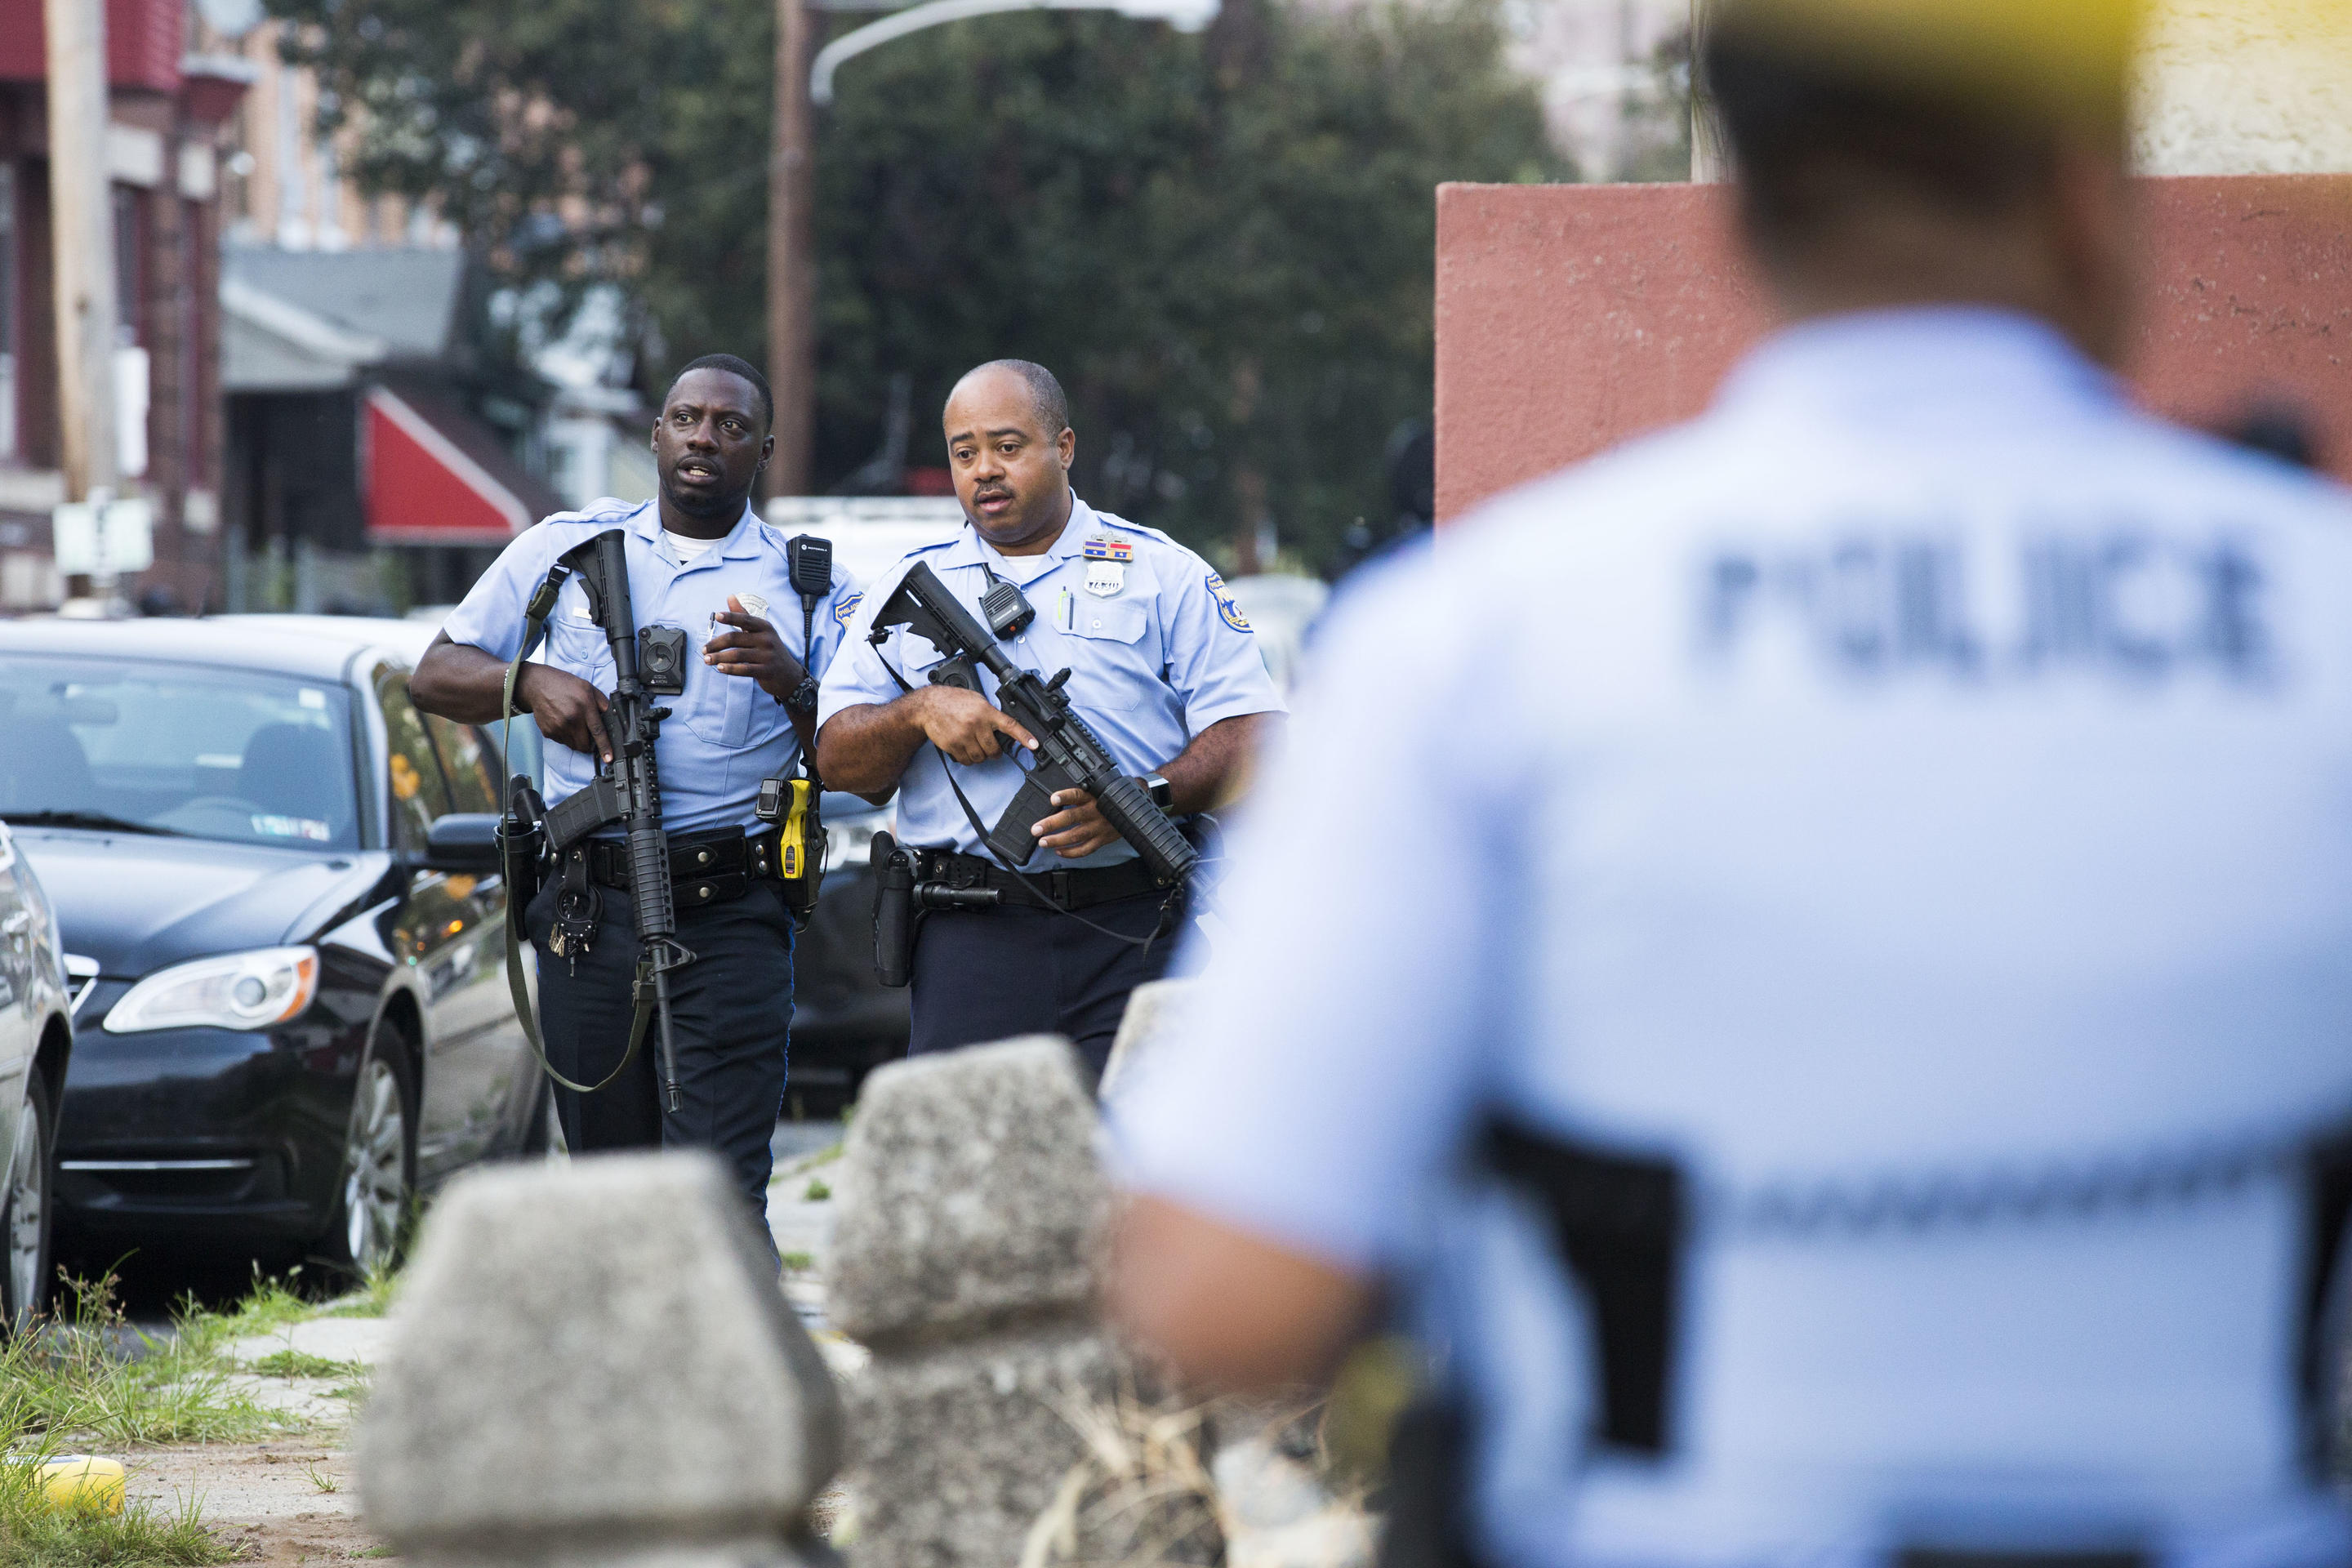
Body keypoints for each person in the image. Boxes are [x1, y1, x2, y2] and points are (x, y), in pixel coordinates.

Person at [1107, 4, 2352, 1568]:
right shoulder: (2322, 607)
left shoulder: (1474, 643)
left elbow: (1221, 1291)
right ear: (2086, 188)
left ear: (1745, 204)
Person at [409, 354, 849, 1219]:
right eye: (687, 419)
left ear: (765, 448)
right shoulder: (565, 548)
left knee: (719, 1198)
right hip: (588, 916)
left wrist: (791, 680)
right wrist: (530, 684)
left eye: (730, 426)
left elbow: (855, 762)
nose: (704, 439)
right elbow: (434, 674)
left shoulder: (810, 587)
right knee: (607, 1198)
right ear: (655, 435)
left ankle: (728, 1316)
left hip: (730, 920)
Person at [816, 359, 1284, 1077]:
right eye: (964, 453)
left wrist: (1143, 799)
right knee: (969, 1141)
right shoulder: (906, 586)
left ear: (1063, 447)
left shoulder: (1163, 572)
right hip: (971, 934)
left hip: (1135, 928)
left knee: (1140, 1141)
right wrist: (919, 712)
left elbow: (1256, 736)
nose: (984, 470)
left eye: (1007, 446)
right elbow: (839, 761)